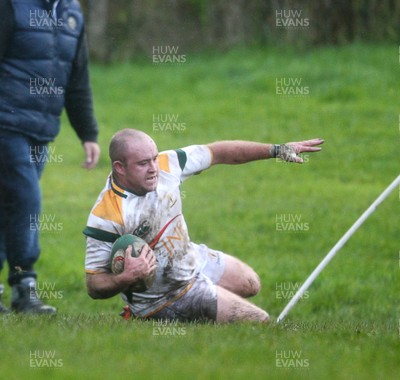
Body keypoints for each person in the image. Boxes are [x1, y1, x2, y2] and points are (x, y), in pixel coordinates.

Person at [83, 129, 323, 323]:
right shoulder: (106, 216)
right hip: (164, 296)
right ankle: (144, 315)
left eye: (154, 158)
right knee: (260, 321)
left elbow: (218, 152)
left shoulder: (167, 165)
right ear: (119, 167)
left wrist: (277, 150)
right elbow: (94, 286)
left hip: (189, 257)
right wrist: (126, 277)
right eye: (143, 163)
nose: (154, 168)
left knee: (251, 283)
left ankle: (209, 303)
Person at [0, 0, 100, 314]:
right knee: (26, 200)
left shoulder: (71, 13)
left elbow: (77, 77)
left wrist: (88, 133)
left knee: (9, 207)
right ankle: (24, 287)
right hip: (5, 124)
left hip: (40, 131)